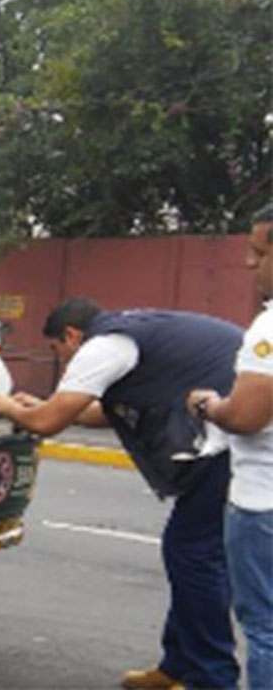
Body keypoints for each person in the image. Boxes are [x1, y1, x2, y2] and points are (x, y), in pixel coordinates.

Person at [0, 299, 240, 690]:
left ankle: (211, 677)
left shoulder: (105, 345)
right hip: (227, 441)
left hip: (228, 444)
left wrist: (4, 405)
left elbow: (49, 423)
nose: (66, 364)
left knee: (193, 555)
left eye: (59, 352)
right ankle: (179, 666)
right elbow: (104, 411)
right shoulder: (131, 335)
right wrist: (46, 404)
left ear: (72, 335)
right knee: (190, 553)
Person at [186, 203, 273, 690]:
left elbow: (246, 416)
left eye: (258, 252)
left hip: (262, 503)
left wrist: (207, 405)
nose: (248, 264)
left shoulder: (268, 330)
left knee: (265, 628)